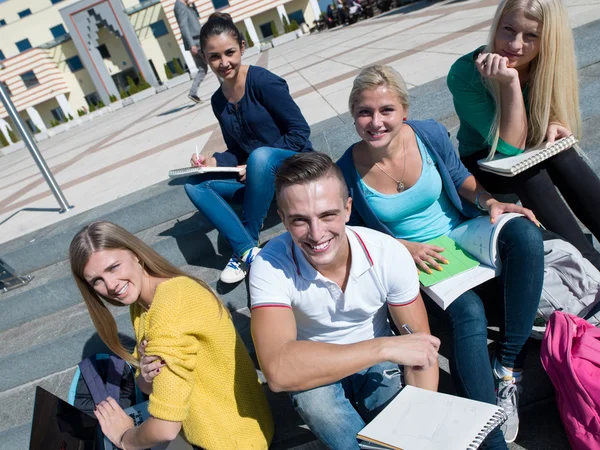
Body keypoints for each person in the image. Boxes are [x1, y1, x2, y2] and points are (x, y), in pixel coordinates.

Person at [337, 65, 545, 448]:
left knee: (524, 233)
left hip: (462, 231)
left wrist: (491, 201)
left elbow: (458, 175)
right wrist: (404, 249)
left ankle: (508, 364)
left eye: (386, 110)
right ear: (354, 115)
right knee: (468, 313)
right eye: (365, 112)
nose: (376, 121)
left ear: (403, 109)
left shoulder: (428, 133)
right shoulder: (346, 171)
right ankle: (488, 433)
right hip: (418, 257)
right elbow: (352, 233)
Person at [250, 152, 441, 450]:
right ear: (284, 220)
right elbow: (277, 372)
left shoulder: (386, 253)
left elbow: (423, 353)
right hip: (317, 363)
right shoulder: (269, 265)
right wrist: (384, 346)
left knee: (403, 424)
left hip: (376, 364)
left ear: (348, 208)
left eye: (327, 215)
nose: (316, 234)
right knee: (319, 405)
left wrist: (417, 432)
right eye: (300, 220)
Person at [69, 221, 274, 450]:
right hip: (217, 430)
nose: (111, 285)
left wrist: (124, 437)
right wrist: (146, 377)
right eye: (96, 280)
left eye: (113, 267)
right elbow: (146, 384)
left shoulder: (170, 307)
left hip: (233, 441)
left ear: (135, 254)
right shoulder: (143, 304)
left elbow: (165, 428)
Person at [447, 0, 600, 270]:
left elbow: (553, 112)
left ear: (547, 41)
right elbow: (509, 147)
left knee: (563, 155)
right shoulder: (465, 73)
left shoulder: (546, 62)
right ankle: (590, 266)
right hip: (485, 162)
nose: (515, 45)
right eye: (508, 29)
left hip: (531, 149)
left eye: (531, 36)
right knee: (527, 172)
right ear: (496, 26)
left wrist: (555, 121)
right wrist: (510, 82)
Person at [184, 13, 313, 284]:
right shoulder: (218, 101)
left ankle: (246, 238)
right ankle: (248, 251)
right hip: (259, 178)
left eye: (230, 52)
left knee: (261, 157)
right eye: (214, 57)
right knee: (194, 184)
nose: (224, 63)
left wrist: (254, 164)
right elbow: (238, 150)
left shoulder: (264, 82)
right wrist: (215, 161)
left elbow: (300, 132)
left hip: (297, 168)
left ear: (242, 47)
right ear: (206, 60)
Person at [173, 0, 208, 104]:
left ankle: (193, 92)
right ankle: (228, 89)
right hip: (196, 42)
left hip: (196, 40)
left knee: (202, 69)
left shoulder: (185, 6)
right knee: (215, 62)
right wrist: (191, 44)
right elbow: (183, 26)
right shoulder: (180, 6)